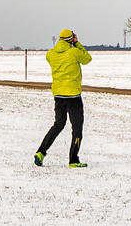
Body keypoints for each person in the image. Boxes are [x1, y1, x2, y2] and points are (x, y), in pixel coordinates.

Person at [35, 28, 92, 166]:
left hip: (59, 96)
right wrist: (77, 43)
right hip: (73, 96)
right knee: (77, 128)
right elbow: (87, 58)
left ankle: (41, 152)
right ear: (71, 39)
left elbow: (49, 56)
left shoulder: (51, 54)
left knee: (58, 125)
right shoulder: (74, 52)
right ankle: (73, 159)